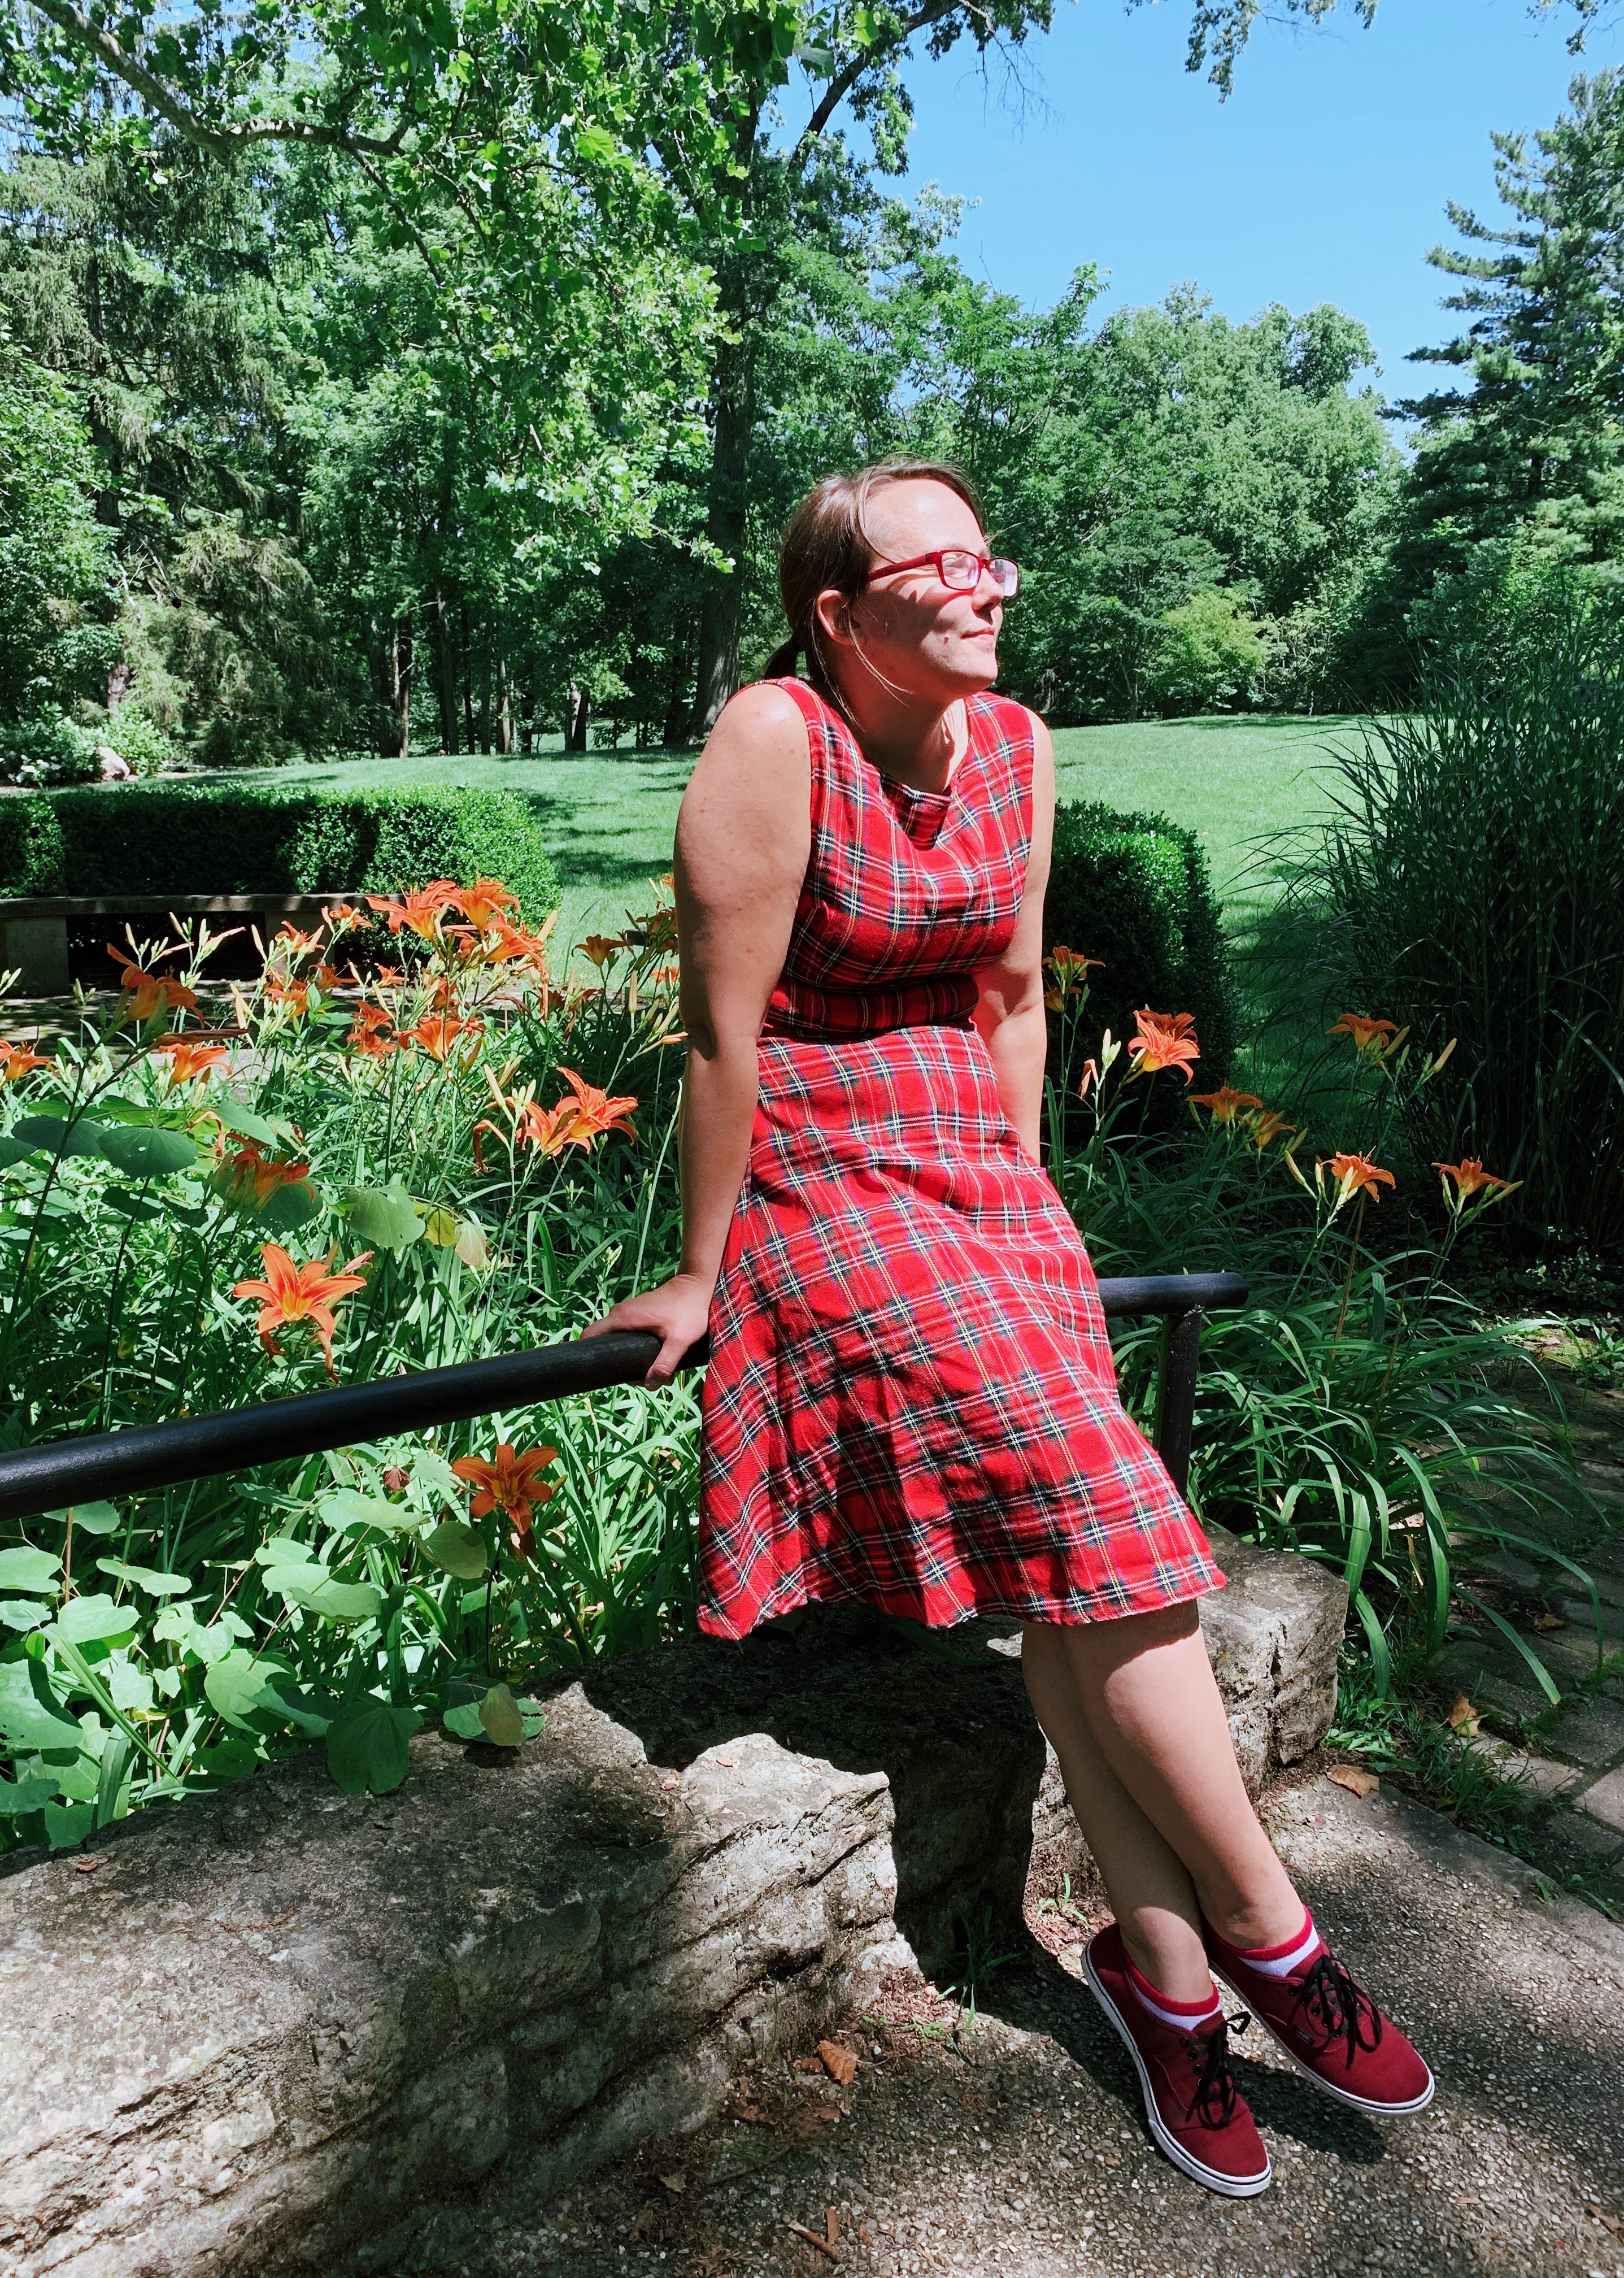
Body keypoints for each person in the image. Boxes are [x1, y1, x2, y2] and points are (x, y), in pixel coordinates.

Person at [584, 459, 1433, 2197]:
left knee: (1071, 1569)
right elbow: (720, 1037)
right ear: (841, 613)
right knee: (1116, 1533)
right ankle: (1271, 1930)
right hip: (820, 1172)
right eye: (942, 565)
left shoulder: (1023, 748)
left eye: (992, 557)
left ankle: (1166, 1986)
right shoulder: (774, 737)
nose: (988, 586)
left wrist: (1022, 1209)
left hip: (972, 1172)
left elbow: (1017, 994)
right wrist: (699, 1262)